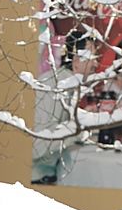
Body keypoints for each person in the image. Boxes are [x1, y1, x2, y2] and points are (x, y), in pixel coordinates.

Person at [31, 31, 99, 184]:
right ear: (75, 60)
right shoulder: (53, 87)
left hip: (50, 175)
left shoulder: (69, 85)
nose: (96, 64)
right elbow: (36, 145)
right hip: (37, 180)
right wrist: (78, 129)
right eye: (92, 58)